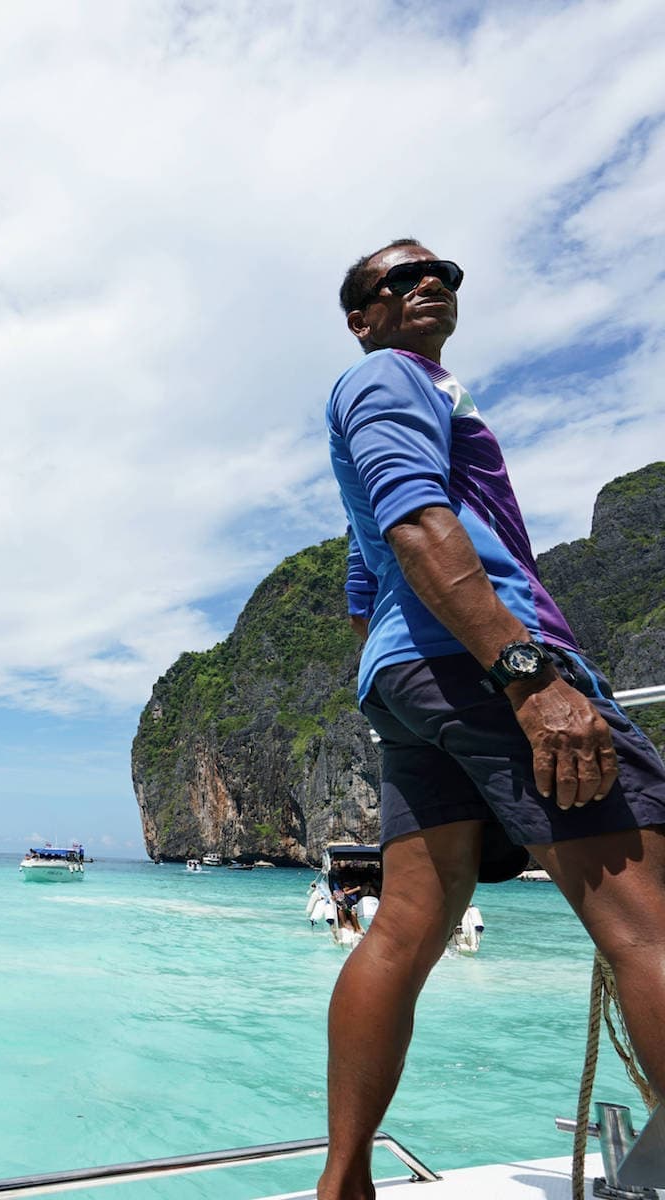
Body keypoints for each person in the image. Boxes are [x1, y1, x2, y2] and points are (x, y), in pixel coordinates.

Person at [320, 238, 665, 1200]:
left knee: (404, 929)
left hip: (412, 682)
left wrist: (422, 680)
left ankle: (344, 1182)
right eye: (399, 278)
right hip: (483, 664)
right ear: (362, 318)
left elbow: (364, 591)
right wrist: (527, 676)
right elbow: (415, 524)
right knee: (648, 924)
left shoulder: (403, 404)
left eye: (443, 273)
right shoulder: (389, 378)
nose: (429, 283)